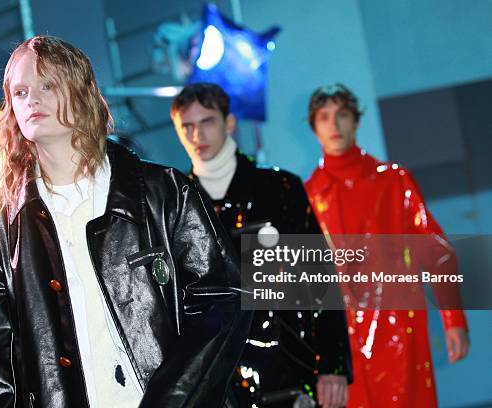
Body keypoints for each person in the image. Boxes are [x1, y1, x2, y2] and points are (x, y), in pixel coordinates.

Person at [0, 36, 251, 408]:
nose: (32, 99)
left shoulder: (164, 191)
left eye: (48, 85)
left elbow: (222, 302)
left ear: (82, 91)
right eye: (20, 92)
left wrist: (175, 398)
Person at [171, 83, 352, 408]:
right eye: (187, 126)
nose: (197, 134)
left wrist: (332, 365)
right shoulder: (174, 204)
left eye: (207, 121)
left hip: (291, 364)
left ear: (229, 123)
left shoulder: (281, 188)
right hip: (219, 378)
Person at [304, 83, 470, 407]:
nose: (334, 125)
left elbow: (437, 253)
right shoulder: (306, 197)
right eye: (324, 117)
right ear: (314, 128)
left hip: (399, 331)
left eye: (342, 115)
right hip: (340, 341)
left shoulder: (393, 182)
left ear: (355, 120)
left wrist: (454, 320)